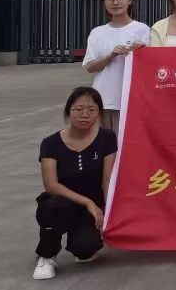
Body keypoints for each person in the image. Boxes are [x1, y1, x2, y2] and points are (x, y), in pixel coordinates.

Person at [32, 87, 118, 280]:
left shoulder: (107, 138)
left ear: (99, 113)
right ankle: (46, 256)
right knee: (54, 207)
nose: (85, 114)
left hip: (92, 208)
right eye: (79, 109)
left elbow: (107, 179)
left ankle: (81, 239)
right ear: (68, 110)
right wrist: (87, 202)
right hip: (61, 202)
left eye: (92, 110)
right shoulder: (51, 143)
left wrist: (109, 213)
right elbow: (51, 185)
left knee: (86, 251)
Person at [81, 0, 149, 130]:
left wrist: (142, 51)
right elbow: (90, 66)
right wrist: (110, 56)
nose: (116, 2)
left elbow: (151, 66)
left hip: (132, 100)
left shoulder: (142, 30)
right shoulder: (98, 32)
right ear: (104, 2)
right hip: (104, 100)